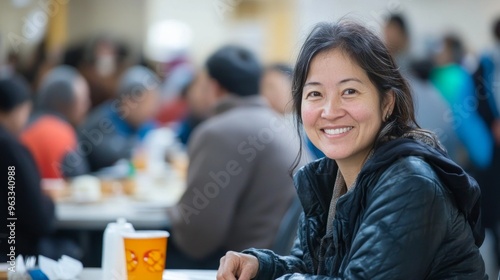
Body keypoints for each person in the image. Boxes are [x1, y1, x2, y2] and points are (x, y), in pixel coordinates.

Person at [217, 21, 486, 279]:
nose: (330, 111)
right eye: (315, 94)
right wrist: (260, 266)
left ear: (387, 103)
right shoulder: (330, 178)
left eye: (349, 92)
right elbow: (311, 266)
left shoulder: (410, 182)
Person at [166, 45, 302, 269]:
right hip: (278, 261)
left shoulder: (218, 132)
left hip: (241, 265)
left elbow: (196, 239)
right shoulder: (280, 124)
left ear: (213, 86)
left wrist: (172, 210)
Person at [0, 74, 55, 261]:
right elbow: (38, 218)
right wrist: (50, 202)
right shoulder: (11, 150)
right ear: (17, 110)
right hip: (15, 255)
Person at [79, 65, 160, 172]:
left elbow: (155, 138)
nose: (152, 108)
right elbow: (110, 156)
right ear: (129, 101)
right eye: (148, 102)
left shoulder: (143, 122)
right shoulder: (102, 123)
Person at [21, 65, 90, 179]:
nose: (88, 105)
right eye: (83, 100)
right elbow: (79, 179)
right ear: (66, 104)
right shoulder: (62, 132)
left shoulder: (25, 125)